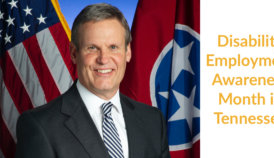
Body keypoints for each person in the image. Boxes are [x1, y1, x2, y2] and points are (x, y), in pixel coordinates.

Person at [15, 3, 170, 158]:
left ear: (128, 52)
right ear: (74, 54)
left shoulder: (153, 121)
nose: (103, 59)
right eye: (92, 48)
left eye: (113, 47)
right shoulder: (40, 126)